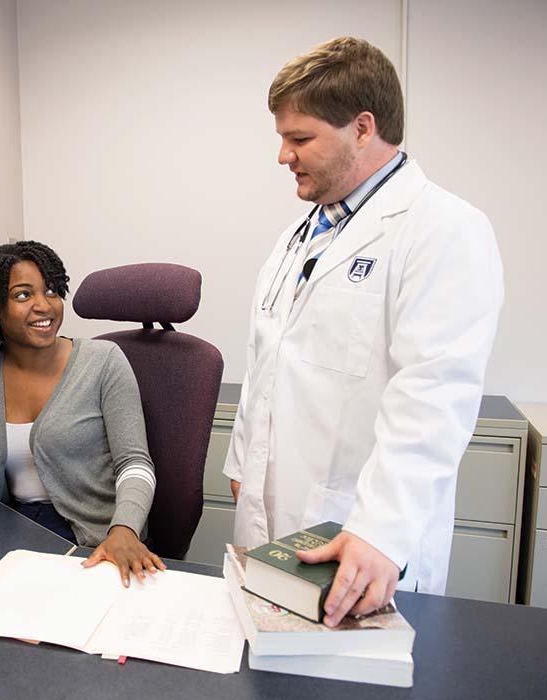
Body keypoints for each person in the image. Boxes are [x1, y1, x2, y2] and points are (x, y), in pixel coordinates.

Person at [223, 37, 503, 626]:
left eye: (299, 139)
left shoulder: (442, 230)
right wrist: (244, 467)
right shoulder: (299, 237)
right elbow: (267, 360)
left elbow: (433, 394)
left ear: (362, 127)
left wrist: (379, 529)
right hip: (273, 526)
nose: (282, 156)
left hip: (363, 537)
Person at [0, 241, 165, 586]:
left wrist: (125, 529)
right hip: (13, 525)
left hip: (97, 537)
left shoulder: (104, 361)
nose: (44, 306)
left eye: (51, 291)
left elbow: (135, 463)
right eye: (23, 295)